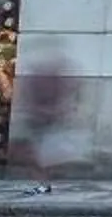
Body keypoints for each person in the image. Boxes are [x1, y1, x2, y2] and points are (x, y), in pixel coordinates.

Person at [10, 49, 75, 195]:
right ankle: (44, 183)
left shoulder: (52, 81)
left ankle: (44, 183)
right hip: (39, 121)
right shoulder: (47, 80)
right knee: (38, 155)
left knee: (39, 155)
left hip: (44, 122)